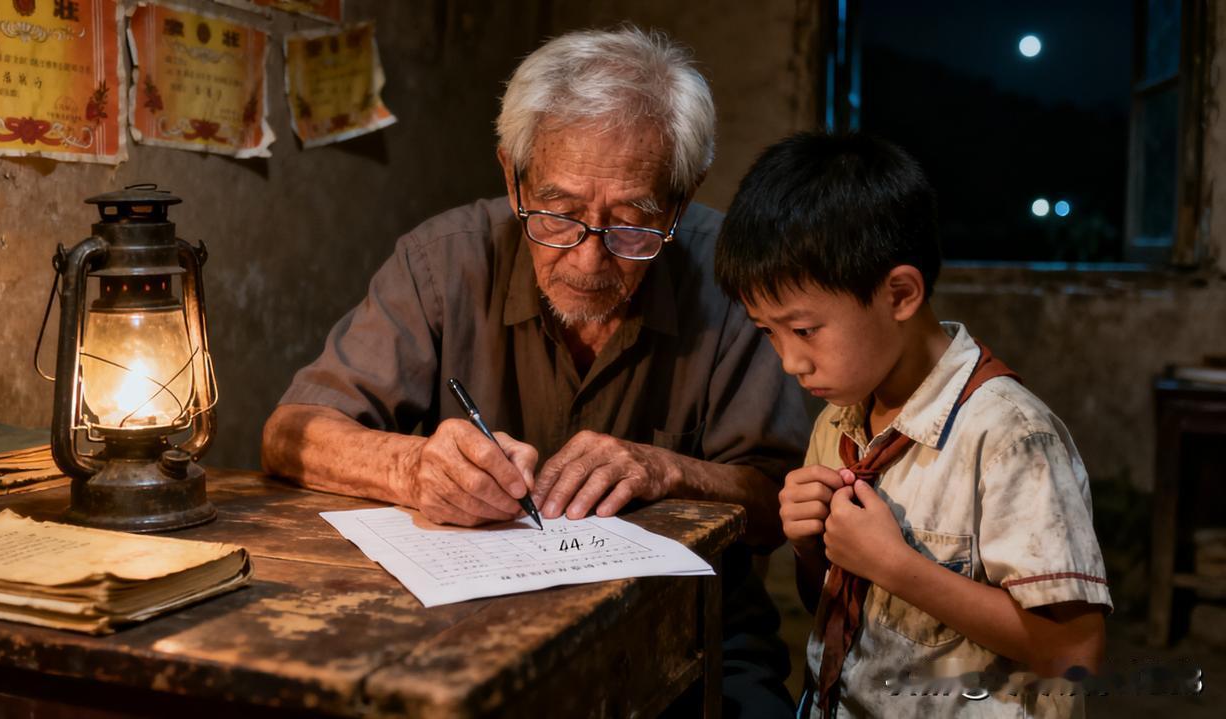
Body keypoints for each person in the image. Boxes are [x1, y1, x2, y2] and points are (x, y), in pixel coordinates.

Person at [261, 27, 809, 717]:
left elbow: (774, 505)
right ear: (511, 177)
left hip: (693, 624)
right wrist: (413, 466)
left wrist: (668, 470)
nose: (588, 259)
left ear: (680, 196)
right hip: (468, 619)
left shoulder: (733, 279)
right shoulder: (444, 262)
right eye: (560, 212)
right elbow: (290, 432)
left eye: (632, 222)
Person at [714, 132, 1111, 718]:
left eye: (803, 330)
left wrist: (897, 566)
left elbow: (1074, 649)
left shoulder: (1009, 437)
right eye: (766, 331)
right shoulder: (837, 426)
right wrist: (809, 549)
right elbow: (838, 610)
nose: (790, 362)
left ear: (899, 293)